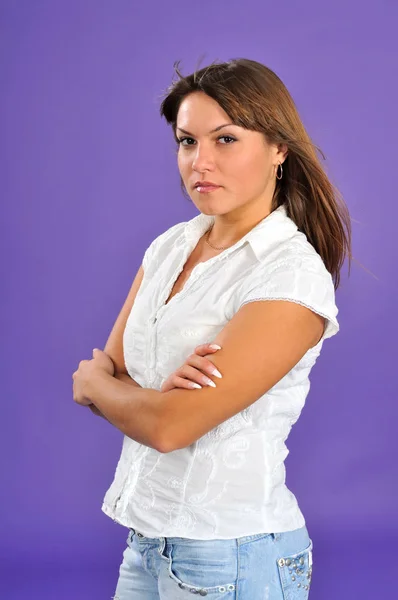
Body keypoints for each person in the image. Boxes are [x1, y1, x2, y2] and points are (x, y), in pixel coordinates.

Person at [72, 58, 352, 599]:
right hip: (147, 542)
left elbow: (164, 424)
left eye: (225, 139)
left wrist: (104, 388)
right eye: (186, 141)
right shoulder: (171, 246)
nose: (200, 162)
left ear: (279, 149)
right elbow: (120, 372)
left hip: (233, 555)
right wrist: (144, 397)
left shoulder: (289, 275)